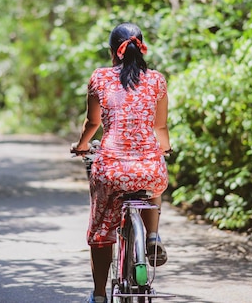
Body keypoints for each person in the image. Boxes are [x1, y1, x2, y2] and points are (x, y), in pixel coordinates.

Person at [71, 22, 172, 303]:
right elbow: (160, 128)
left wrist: (80, 147)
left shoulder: (100, 78)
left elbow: (92, 123)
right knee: (153, 185)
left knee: (101, 231)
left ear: (113, 52)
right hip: (148, 168)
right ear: (141, 47)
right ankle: (152, 236)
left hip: (112, 169)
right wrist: (164, 149)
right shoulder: (156, 80)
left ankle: (100, 295)